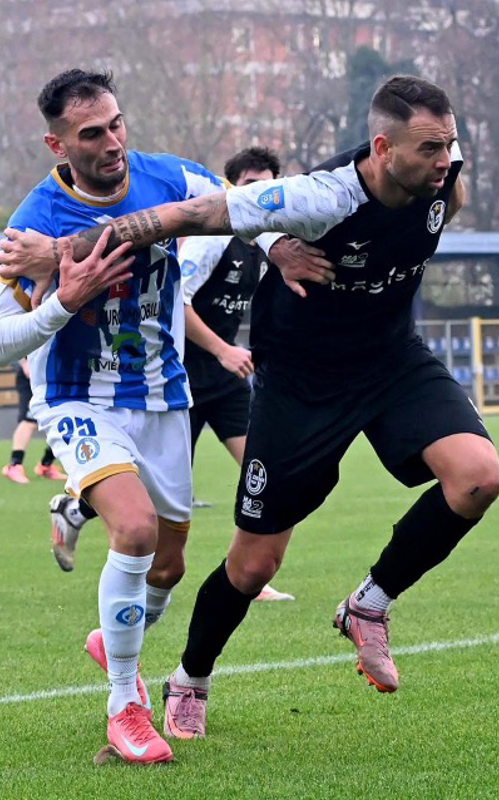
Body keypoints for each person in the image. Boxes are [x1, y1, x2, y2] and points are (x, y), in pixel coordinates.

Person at [0, 74, 499, 742]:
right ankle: (190, 677)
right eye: (432, 148)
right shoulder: (320, 195)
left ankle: (369, 605)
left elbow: (446, 196)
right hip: (299, 383)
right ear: (383, 148)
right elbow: (192, 216)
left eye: (450, 146)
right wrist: (62, 256)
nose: (446, 160)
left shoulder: (445, 175)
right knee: (253, 566)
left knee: (479, 476)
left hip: (392, 363)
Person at [0, 69, 313, 765]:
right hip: (80, 400)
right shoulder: (35, 222)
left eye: (116, 124)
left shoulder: (170, 178)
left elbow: (236, 209)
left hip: (164, 397)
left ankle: (115, 637)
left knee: (168, 567)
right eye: (91, 133)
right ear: (57, 143)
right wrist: (63, 300)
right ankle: (125, 704)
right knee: (131, 531)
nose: (112, 142)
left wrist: (278, 245)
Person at [177, 145, 294, 602]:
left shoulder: (264, 242)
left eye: (267, 186)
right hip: (178, 378)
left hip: (225, 383)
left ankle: (249, 576)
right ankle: (76, 506)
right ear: (230, 189)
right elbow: (176, 304)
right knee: (164, 495)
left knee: (262, 472)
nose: (259, 194)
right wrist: (224, 349)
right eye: (249, 186)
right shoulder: (211, 238)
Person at [0, 357, 68, 485]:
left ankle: (46, 465)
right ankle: (15, 465)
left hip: (57, 373)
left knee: (63, 419)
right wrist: (23, 362)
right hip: (34, 374)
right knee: (29, 421)